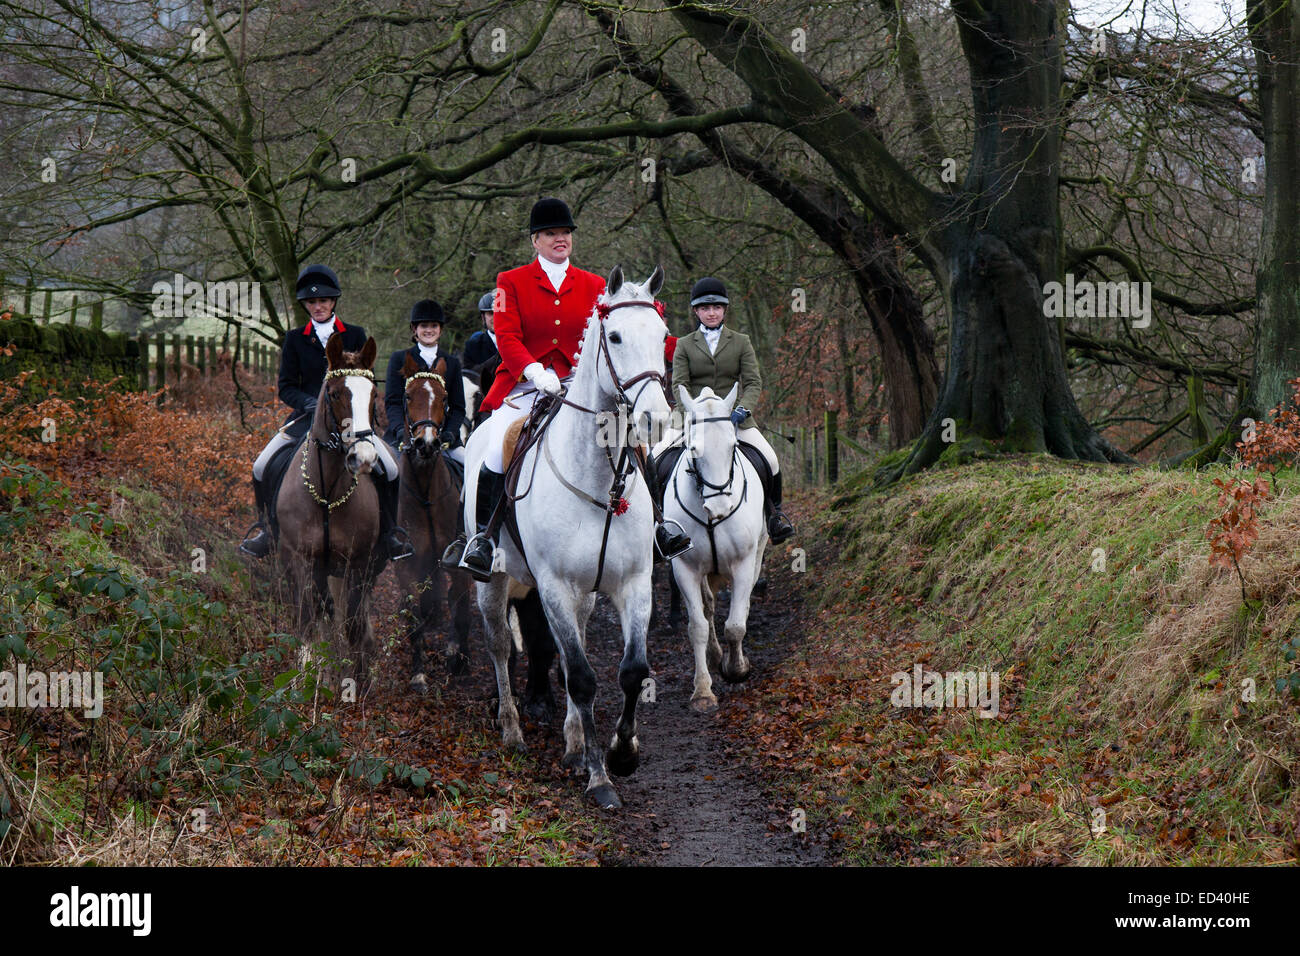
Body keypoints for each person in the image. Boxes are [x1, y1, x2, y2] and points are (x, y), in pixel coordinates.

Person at [440, 197, 691, 581]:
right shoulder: (510, 282)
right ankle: (483, 540)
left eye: (566, 233)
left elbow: (622, 337)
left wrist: (680, 347)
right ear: (535, 240)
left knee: (639, 444)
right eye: (552, 233)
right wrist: (535, 371)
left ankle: (660, 526)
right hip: (526, 388)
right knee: (494, 449)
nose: (561, 239)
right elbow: (506, 338)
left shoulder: (594, 285)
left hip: (582, 391)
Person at [240, 263, 413, 561]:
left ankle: (389, 535)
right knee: (261, 465)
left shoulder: (356, 334)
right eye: (312, 302)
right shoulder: (295, 338)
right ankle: (267, 531)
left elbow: (365, 382)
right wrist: (310, 403)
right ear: (306, 305)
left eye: (323, 301)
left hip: (352, 421)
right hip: (306, 418)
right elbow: (285, 387)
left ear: (333, 302)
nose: (317, 306)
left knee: (392, 468)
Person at [661, 276, 794, 543]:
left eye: (717, 307)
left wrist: (743, 409)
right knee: (657, 457)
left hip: (734, 418)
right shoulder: (685, 344)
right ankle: (660, 526)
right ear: (696, 311)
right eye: (705, 308)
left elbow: (754, 382)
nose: (711, 313)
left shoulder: (741, 341)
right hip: (693, 419)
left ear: (724, 310)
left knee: (770, 458)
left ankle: (774, 516)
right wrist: (692, 412)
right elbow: (679, 385)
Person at [383, 298, 467, 465]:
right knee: (387, 471)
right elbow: (392, 402)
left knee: (471, 467)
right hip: (403, 438)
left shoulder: (452, 363)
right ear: (415, 329)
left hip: (444, 439)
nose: (429, 330)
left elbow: (458, 407)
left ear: (440, 330)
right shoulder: (399, 358)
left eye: (434, 326)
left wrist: (449, 433)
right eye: (424, 326)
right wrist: (401, 430)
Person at [462, 291, 500, 370]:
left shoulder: (521, 342)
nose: (496, 317)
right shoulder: (472, 346)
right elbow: (469, 376)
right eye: (491, 313)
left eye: (499, 312)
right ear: (483, 318)